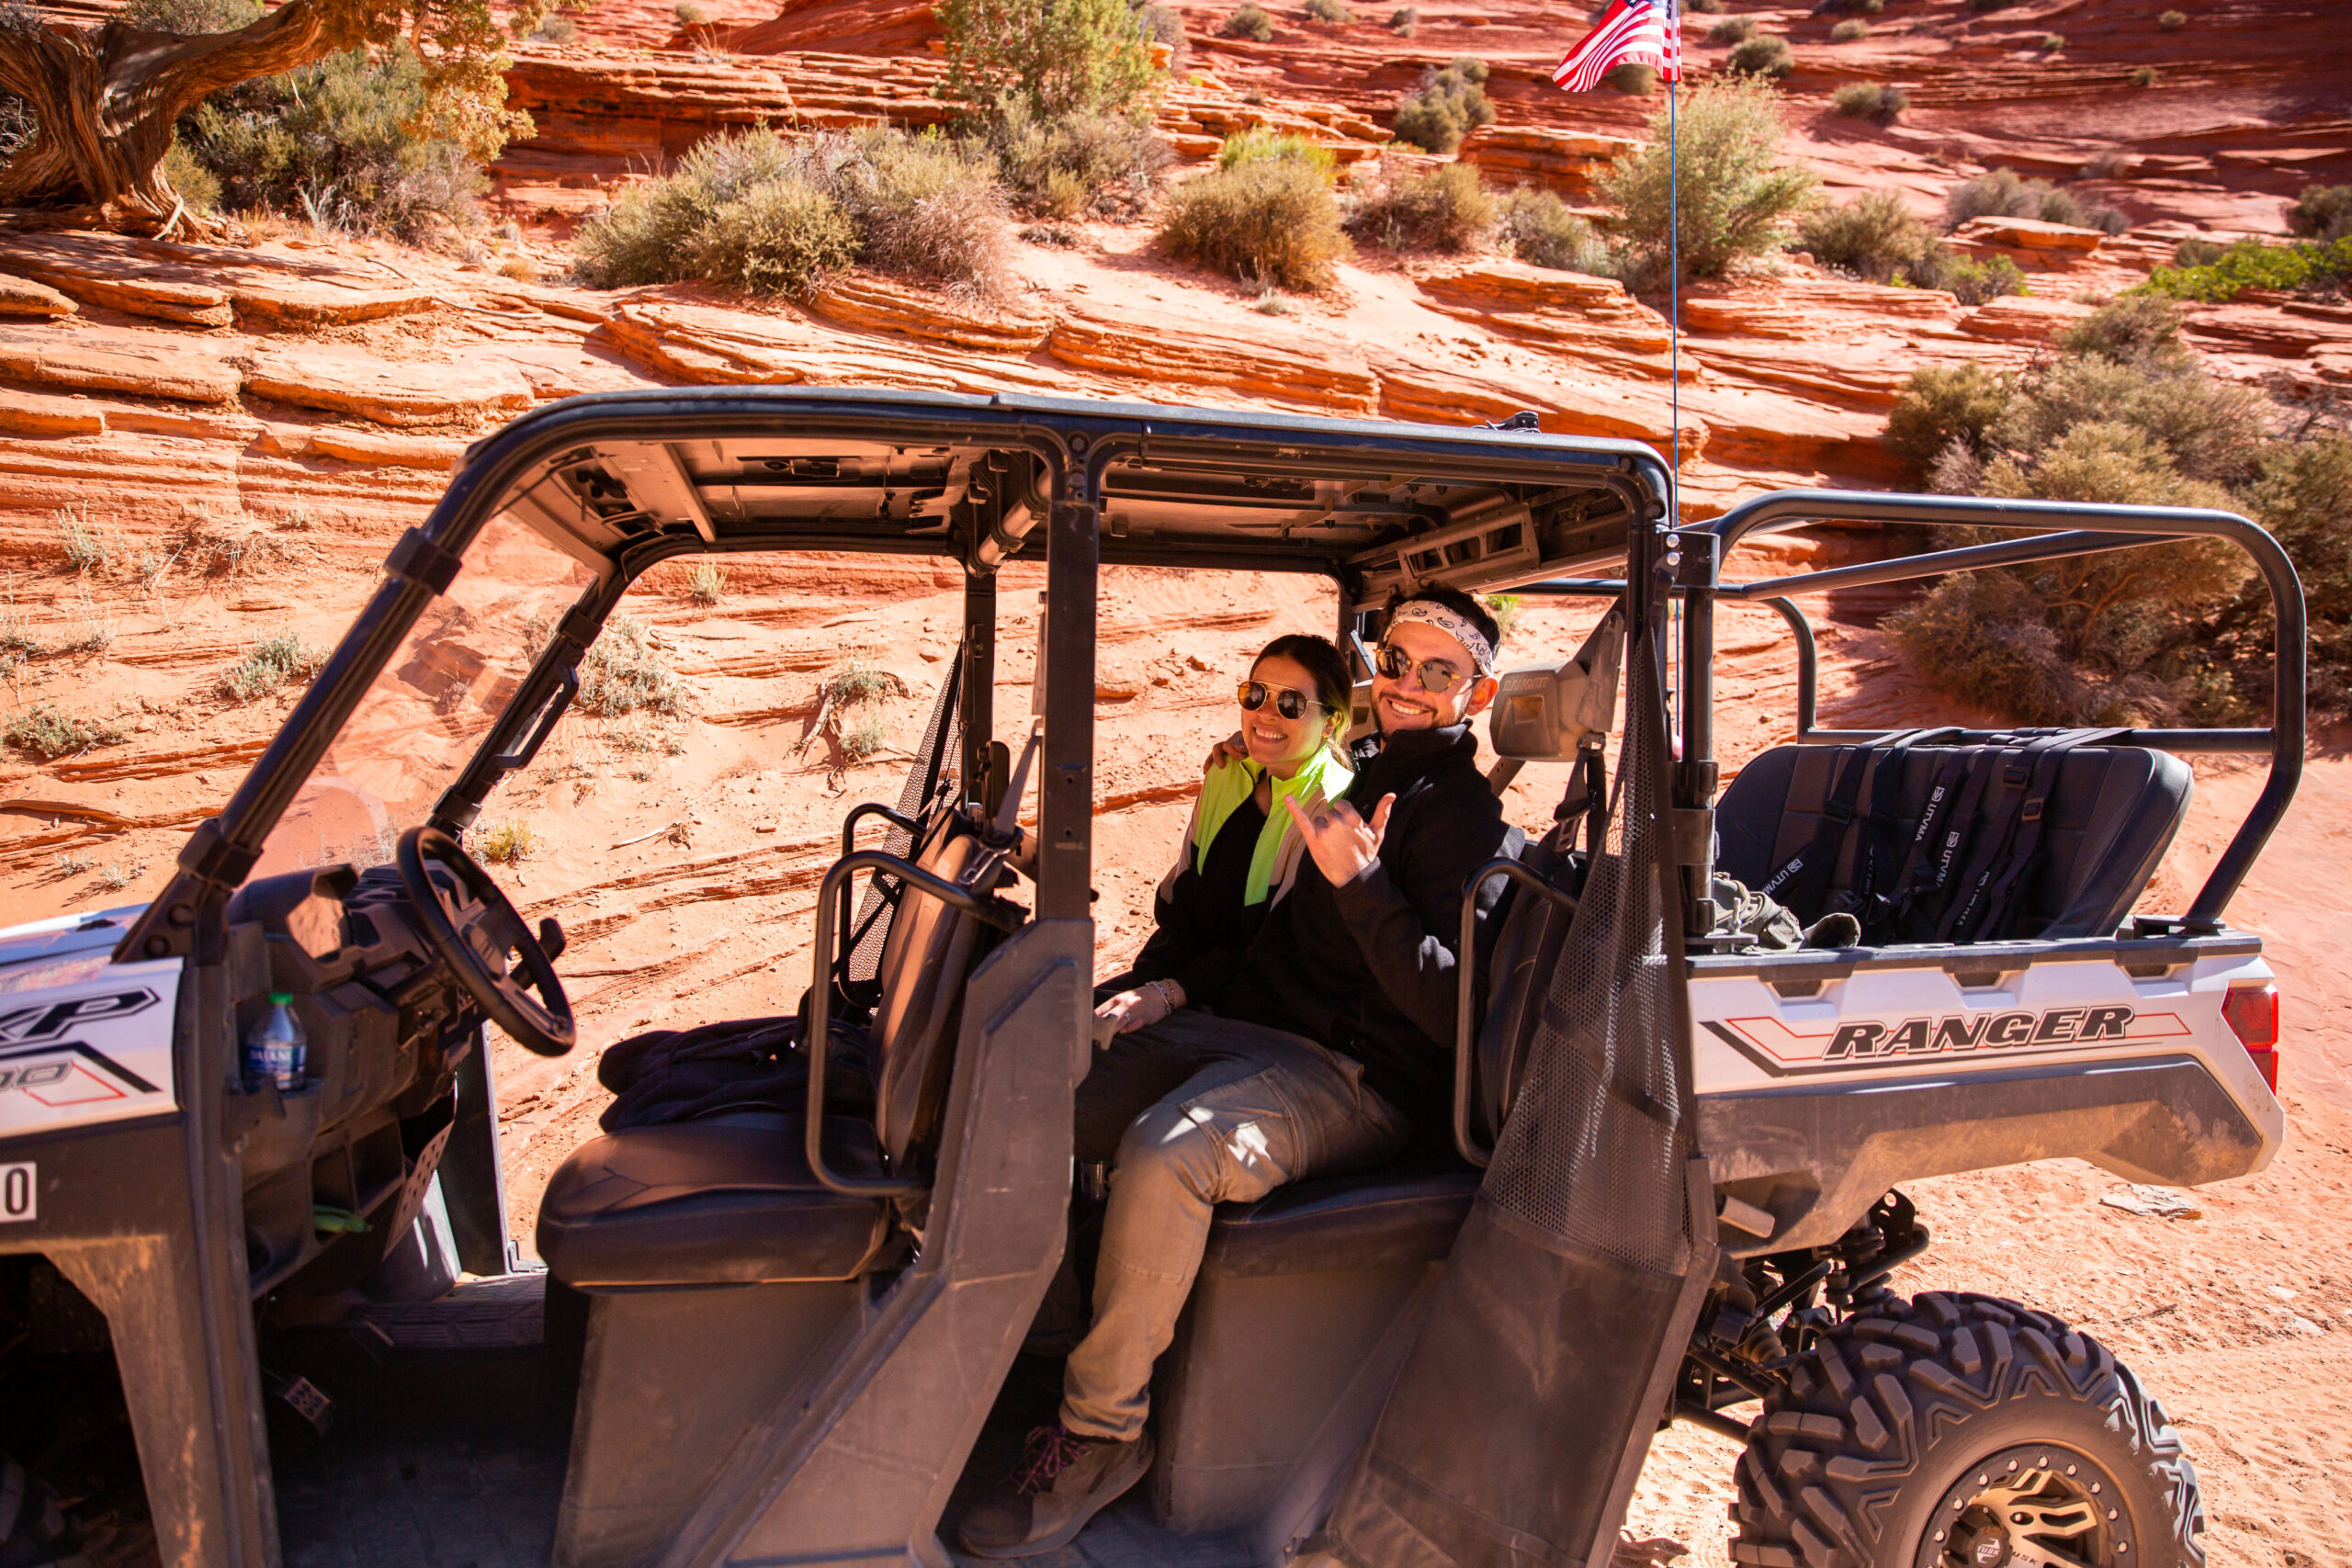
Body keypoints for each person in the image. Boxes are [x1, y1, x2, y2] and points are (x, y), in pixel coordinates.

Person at [957, 585, 1517, 1559]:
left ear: (1477, 691)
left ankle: (1100, 1433)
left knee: (1169, 1154)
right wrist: (1165, 998)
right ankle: (1040, 1348)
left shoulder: (1458, 817)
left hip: (1357, 1082)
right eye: (1396, 661)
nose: (1410, 685)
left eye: (1439, 672)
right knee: (1031, 1078)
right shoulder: (1359, 777)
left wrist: (1367, 887)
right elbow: (1261, 944)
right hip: (1259, 1038)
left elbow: (1446, 1011)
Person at [1091, 633, 1356, 1040]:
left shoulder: (1331, 805)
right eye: (1255, 695)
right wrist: (1149, 983)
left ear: (1331, 721)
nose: (1266, 714)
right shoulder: (1227, 772)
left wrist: (1169, 994)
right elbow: (1182, 904)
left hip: (1259, 1015)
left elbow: (1272, 949)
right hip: (1186, 986)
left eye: (1291, 703)